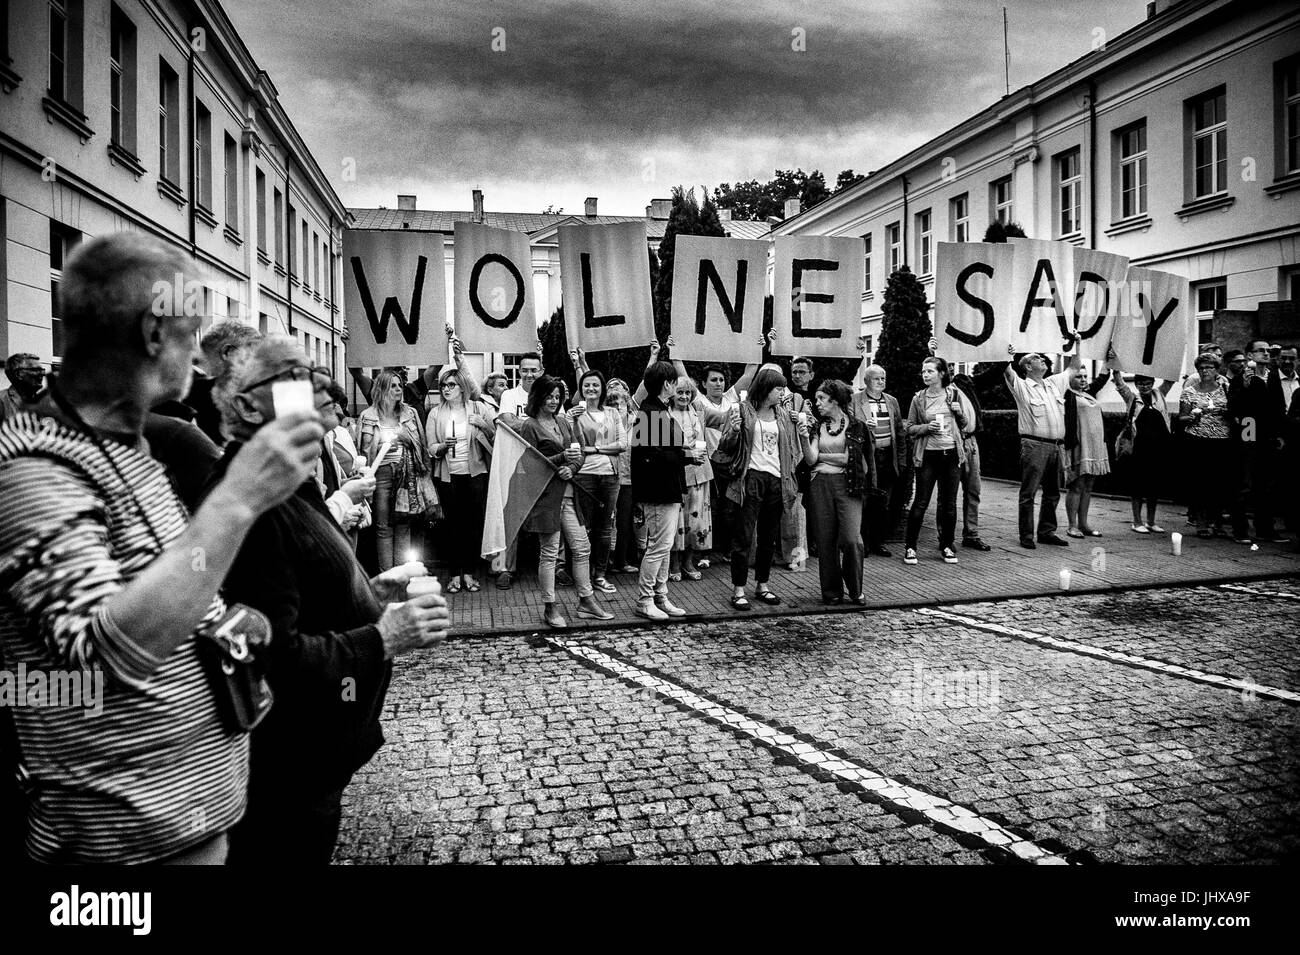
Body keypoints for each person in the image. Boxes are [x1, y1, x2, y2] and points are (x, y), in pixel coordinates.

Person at [0, 232, 324, 864]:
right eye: (191, 332)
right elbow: (97, 655)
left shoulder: (132, 452)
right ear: (154, 333)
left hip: (186, 829)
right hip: (117, 853)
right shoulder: (34, 470)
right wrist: (238, 499)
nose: (202, 361)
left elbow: (162, 589)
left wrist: (229, 623)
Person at [209, 336, 450, 864]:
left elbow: (305, 581)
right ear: (248, 406)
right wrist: (385, 635)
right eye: (297, 383)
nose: (319, 397)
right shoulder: (247, 501)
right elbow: (271, 657)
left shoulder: (291, 484)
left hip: (323, 757)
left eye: (315, 381)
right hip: (289, 765)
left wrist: (369, 589)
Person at [516, 376, 612, 628]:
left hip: (570, 495)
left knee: (582, 548)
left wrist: (572, 467)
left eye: (557, 397)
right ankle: (550, 607)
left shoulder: (562, 421)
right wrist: (562, 459)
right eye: (549, 396)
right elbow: (528, 464)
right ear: (538, 396)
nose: (554, 401)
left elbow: (577, 451)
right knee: (549, 553)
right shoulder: (530, 426)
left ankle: (586, 601)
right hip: (546, 498)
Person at [716, 365, 802, 610]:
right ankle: (739, 589)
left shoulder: (783, 413)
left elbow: (791, 445)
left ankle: (762, 585)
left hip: (777, 479)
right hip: (750, 478)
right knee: (743, 537)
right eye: (778, 388)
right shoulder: (743, 410)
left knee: (769, 537)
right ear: (766, 388)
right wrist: (733, 430)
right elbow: (726, 445)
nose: (782, 392)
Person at [630, 358, 696, 620]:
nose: (676, 387)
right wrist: (686, 456)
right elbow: (648, 457)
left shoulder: (657, 409)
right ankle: (645, 599)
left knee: (664, 545)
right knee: (658, 545)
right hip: (656, 489)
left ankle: (660, 595)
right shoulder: (649, 412)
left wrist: (684, 455)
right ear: (666, 384)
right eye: (674, 382)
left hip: (666, 487)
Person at [426, 361, 497, 592]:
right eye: (443, 385)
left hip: (475, 474)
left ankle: (469, 572)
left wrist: (483, 425)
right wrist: (442, 448)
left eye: (451, 385)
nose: (446, 389)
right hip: (448, 476)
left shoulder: (477, 408)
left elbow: (496, 437)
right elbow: (430, 447)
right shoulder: (436, 413)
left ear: (462, 387)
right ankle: (454, 574)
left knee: (473, 524)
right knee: (452, 526)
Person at [804, 379, 875, 604]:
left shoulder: (856, 426)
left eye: (821, 399)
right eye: (817, 399)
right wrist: (805, 438)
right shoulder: (816, 426)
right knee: (825, 540)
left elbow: (852, 459)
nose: (817, 404)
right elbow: (810, 459)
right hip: (820, 485)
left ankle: (855, 589)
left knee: (852, 539)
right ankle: (832, 592)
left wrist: (824, 457)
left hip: (849, 484)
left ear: (835, 401)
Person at [903, 357, 973, 565]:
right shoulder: (919, 398)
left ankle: (947, 546)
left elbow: (964, 424)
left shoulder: (953, 394)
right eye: (923, 371)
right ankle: (910, 547)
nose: (925, 375)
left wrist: (959, 413)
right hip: (928, 455)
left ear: (941, 374)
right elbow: (909, 428)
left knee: (949, 504)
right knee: (921, 502)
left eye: (930, 371)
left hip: (951, 453)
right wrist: (926, 428)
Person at [358, 369, 429, 570]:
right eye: (393, 385)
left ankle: (402, 576)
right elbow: (361, 453)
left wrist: (407, 440)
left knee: (403, 525)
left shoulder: (410, 413)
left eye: (400, 385)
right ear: (381, 389)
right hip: (380, 475)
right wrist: (382, 446)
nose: (399, 389)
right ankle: (387, 577)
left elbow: (421, 445)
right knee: (382, 527)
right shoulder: (367, 416)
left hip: (406, 473)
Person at [567, 364, 627, 593]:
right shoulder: (575, 414)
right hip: (584, 476)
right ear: (581, 389)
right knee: (584, 527)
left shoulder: (612, 413)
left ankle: (600, 574)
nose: (591, 388)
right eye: (586, 385)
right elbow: (575, 446)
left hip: (610, 476)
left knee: (604, 528)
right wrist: (572, 421)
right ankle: (581, 574)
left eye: (595, 385)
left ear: (602, 389)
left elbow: (623, 444)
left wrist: (597, 449)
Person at [1004, 345, 1070, 548]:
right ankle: (1026, 536)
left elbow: (1073, 368)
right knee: (1028, 493)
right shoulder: (1022, 386)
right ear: (1028, 367)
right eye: (1037, 358)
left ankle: (1046, 532)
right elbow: (1007, 370)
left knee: (1053, 492)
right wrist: (1007, 354)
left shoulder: (1053, 384)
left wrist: (1075, 344)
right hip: (1034, 445)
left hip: (1056, 446)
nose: (1042, 359)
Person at [494, 348, 545, 589]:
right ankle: (503, 567)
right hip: (515, 467)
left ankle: (556, 567)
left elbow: (560, 425)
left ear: (541, 371)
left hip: (544, 468)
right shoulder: (509, 395)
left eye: (533, 370)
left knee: (552, 519)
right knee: (508, 518)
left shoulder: (549, 395)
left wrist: (524, 426)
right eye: (524, 370)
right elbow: (506, 421)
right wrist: (538, 428)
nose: (528, 374)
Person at [1225, 348, 1281, 544]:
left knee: (1266, 485)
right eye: (1260, 350)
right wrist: (1246, 387)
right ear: (1250, 356)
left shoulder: (1273, 377)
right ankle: (1240, 530)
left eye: (1268, 351)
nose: (1266, 354)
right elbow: (1233, 408)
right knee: (1244, 484)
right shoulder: (1241, 380)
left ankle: (1265, 529)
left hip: (1267, 437)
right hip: (1247, 435)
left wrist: (1278, 434)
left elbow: (1278, 407)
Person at [850, 362, 906, 557]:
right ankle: (862, 542)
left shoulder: (892, 401)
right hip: (867, 458)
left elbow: (899, 432)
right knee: (864, 501)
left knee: (883, 503)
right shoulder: (855, 400)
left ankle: (878, 542)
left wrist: (901, 461)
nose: (881, 381)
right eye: (876, 378)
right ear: (866, 381)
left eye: (883, 378)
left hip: (887, 458)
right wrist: (865, 426)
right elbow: (849, 427)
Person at [1112, 366, 1174, 533]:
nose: (1144, 386)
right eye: (1141, 383)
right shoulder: (1132, 398)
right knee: (1138, 486)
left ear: (1153, 383)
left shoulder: (1160, 394)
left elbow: (1170, 378)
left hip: (1158, 448)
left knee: (1154, 486)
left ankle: (1151, 522)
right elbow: (1119, 384)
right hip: (1139, 449)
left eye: (1147, 383)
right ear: (1137, 384)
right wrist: (1115, 367)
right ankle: (1136, 522)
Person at [1179, 353, 1233, 538]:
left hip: (1222, 440)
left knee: (1220, 483)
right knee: (1200, 483)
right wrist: (1193, 416)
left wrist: (1227, 412)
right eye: (1201, 368)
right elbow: (1182, 418)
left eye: (1209, 367)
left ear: (1217, 370)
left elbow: (1236, 411)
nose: (1204, 371)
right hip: (1198, 440)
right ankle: (1201, 523)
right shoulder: (1189, 392)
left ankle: (1217, 522)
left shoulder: (1226, 388)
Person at [665, 376, 713, 581]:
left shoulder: (698, 411)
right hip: (677, 471)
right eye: (680, 392)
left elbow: (723, 416)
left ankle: (688, 562)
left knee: (696, 522)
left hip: (700, 471)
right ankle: (674, 563)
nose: (684, 396)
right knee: (675, 520)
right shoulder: (664, 414)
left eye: (687, 393)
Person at [1062, 358, 1113, 538]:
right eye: (1078, 377)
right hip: (1079, 446)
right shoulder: (1067, 395)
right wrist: (1076, 346)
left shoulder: (1089, 393)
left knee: (1088, 486)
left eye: (1085, 376)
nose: (1083, 380)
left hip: (1095, 447)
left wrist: (1108, 359)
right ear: (1069, 379)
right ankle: (1072, 525)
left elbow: (1101, 379)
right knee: (1077, 485)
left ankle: (1084, 524)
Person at [605, 377, 641, 575]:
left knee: (625, 521)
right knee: (608, 521)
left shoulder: (638, 421)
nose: (618, 406)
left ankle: (622, 560)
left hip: (629, 478)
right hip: (610, 476)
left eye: (621, 402)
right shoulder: (605, 421)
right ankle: (606, 560)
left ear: (628, 402)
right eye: (613, 403)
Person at [0, 353, 44, 424]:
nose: (42, 374)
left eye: (42, 370)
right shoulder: (2, 401)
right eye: (35, 370)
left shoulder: (44, 401)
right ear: (18, 374)